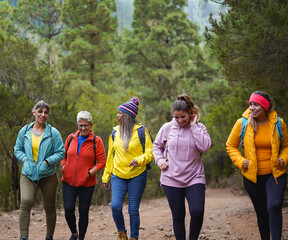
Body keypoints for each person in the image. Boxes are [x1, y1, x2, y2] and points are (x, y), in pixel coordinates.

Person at [226, 90, 288, 240]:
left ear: (265, 107)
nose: (252, 108)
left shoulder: (278, 123)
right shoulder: (243, 123)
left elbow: (286, 145)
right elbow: (230, 145)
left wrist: (283, 158)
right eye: (250, 104)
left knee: (273, 206)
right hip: (252, 178)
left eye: (256, 105)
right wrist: (241, 162)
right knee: (261, 213)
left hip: (275, 174)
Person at [153, 94, 211, 240]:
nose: (179, 120)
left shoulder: (199, 127)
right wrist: (159, 160)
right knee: (178, 215)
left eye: (183, 117)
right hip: (171, 178)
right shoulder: (167, 127)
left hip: (194, 177)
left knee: (197, 211)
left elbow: (205, 146)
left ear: (190, 113)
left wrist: (193, 126)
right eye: (176, 117)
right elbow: (156, 146)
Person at [102, 97, 154, 240]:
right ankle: (121, 232)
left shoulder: (142, 131)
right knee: (115, 207)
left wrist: (139, 160)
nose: (117, 116)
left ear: (127, 115)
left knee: (133, 210)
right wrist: (106, 176)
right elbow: (110, 157)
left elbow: (151, 152)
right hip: (118, 175)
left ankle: (134, 237)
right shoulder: (114, 133)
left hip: (137, 175)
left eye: (120, 113)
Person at [14, 100, 65, 240]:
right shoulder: (24, 131)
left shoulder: (53, 133)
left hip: (48, 175)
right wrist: (24, 159)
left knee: (49, 206)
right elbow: (17, 149)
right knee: (25, 201)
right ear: (34, 112)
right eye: (40, 111)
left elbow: (61, 152)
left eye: (46, 112)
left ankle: (49, 236)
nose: (43, 115)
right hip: (28, 174)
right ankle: (23, 236)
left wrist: (48, 161)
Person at [61, 111, 106, 240]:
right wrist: (63, 166)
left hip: (87, 183)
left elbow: (102, 162)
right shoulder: (70, 138)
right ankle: (74, 233)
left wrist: (89, 173)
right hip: (68, 181)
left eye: (86, 125)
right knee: (69, 208)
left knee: (83, 211)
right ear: (77, 125)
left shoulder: (96, 141)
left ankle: (81, 237)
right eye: (80, 125)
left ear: (91, 125)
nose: (83, 128)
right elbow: (62, 156)